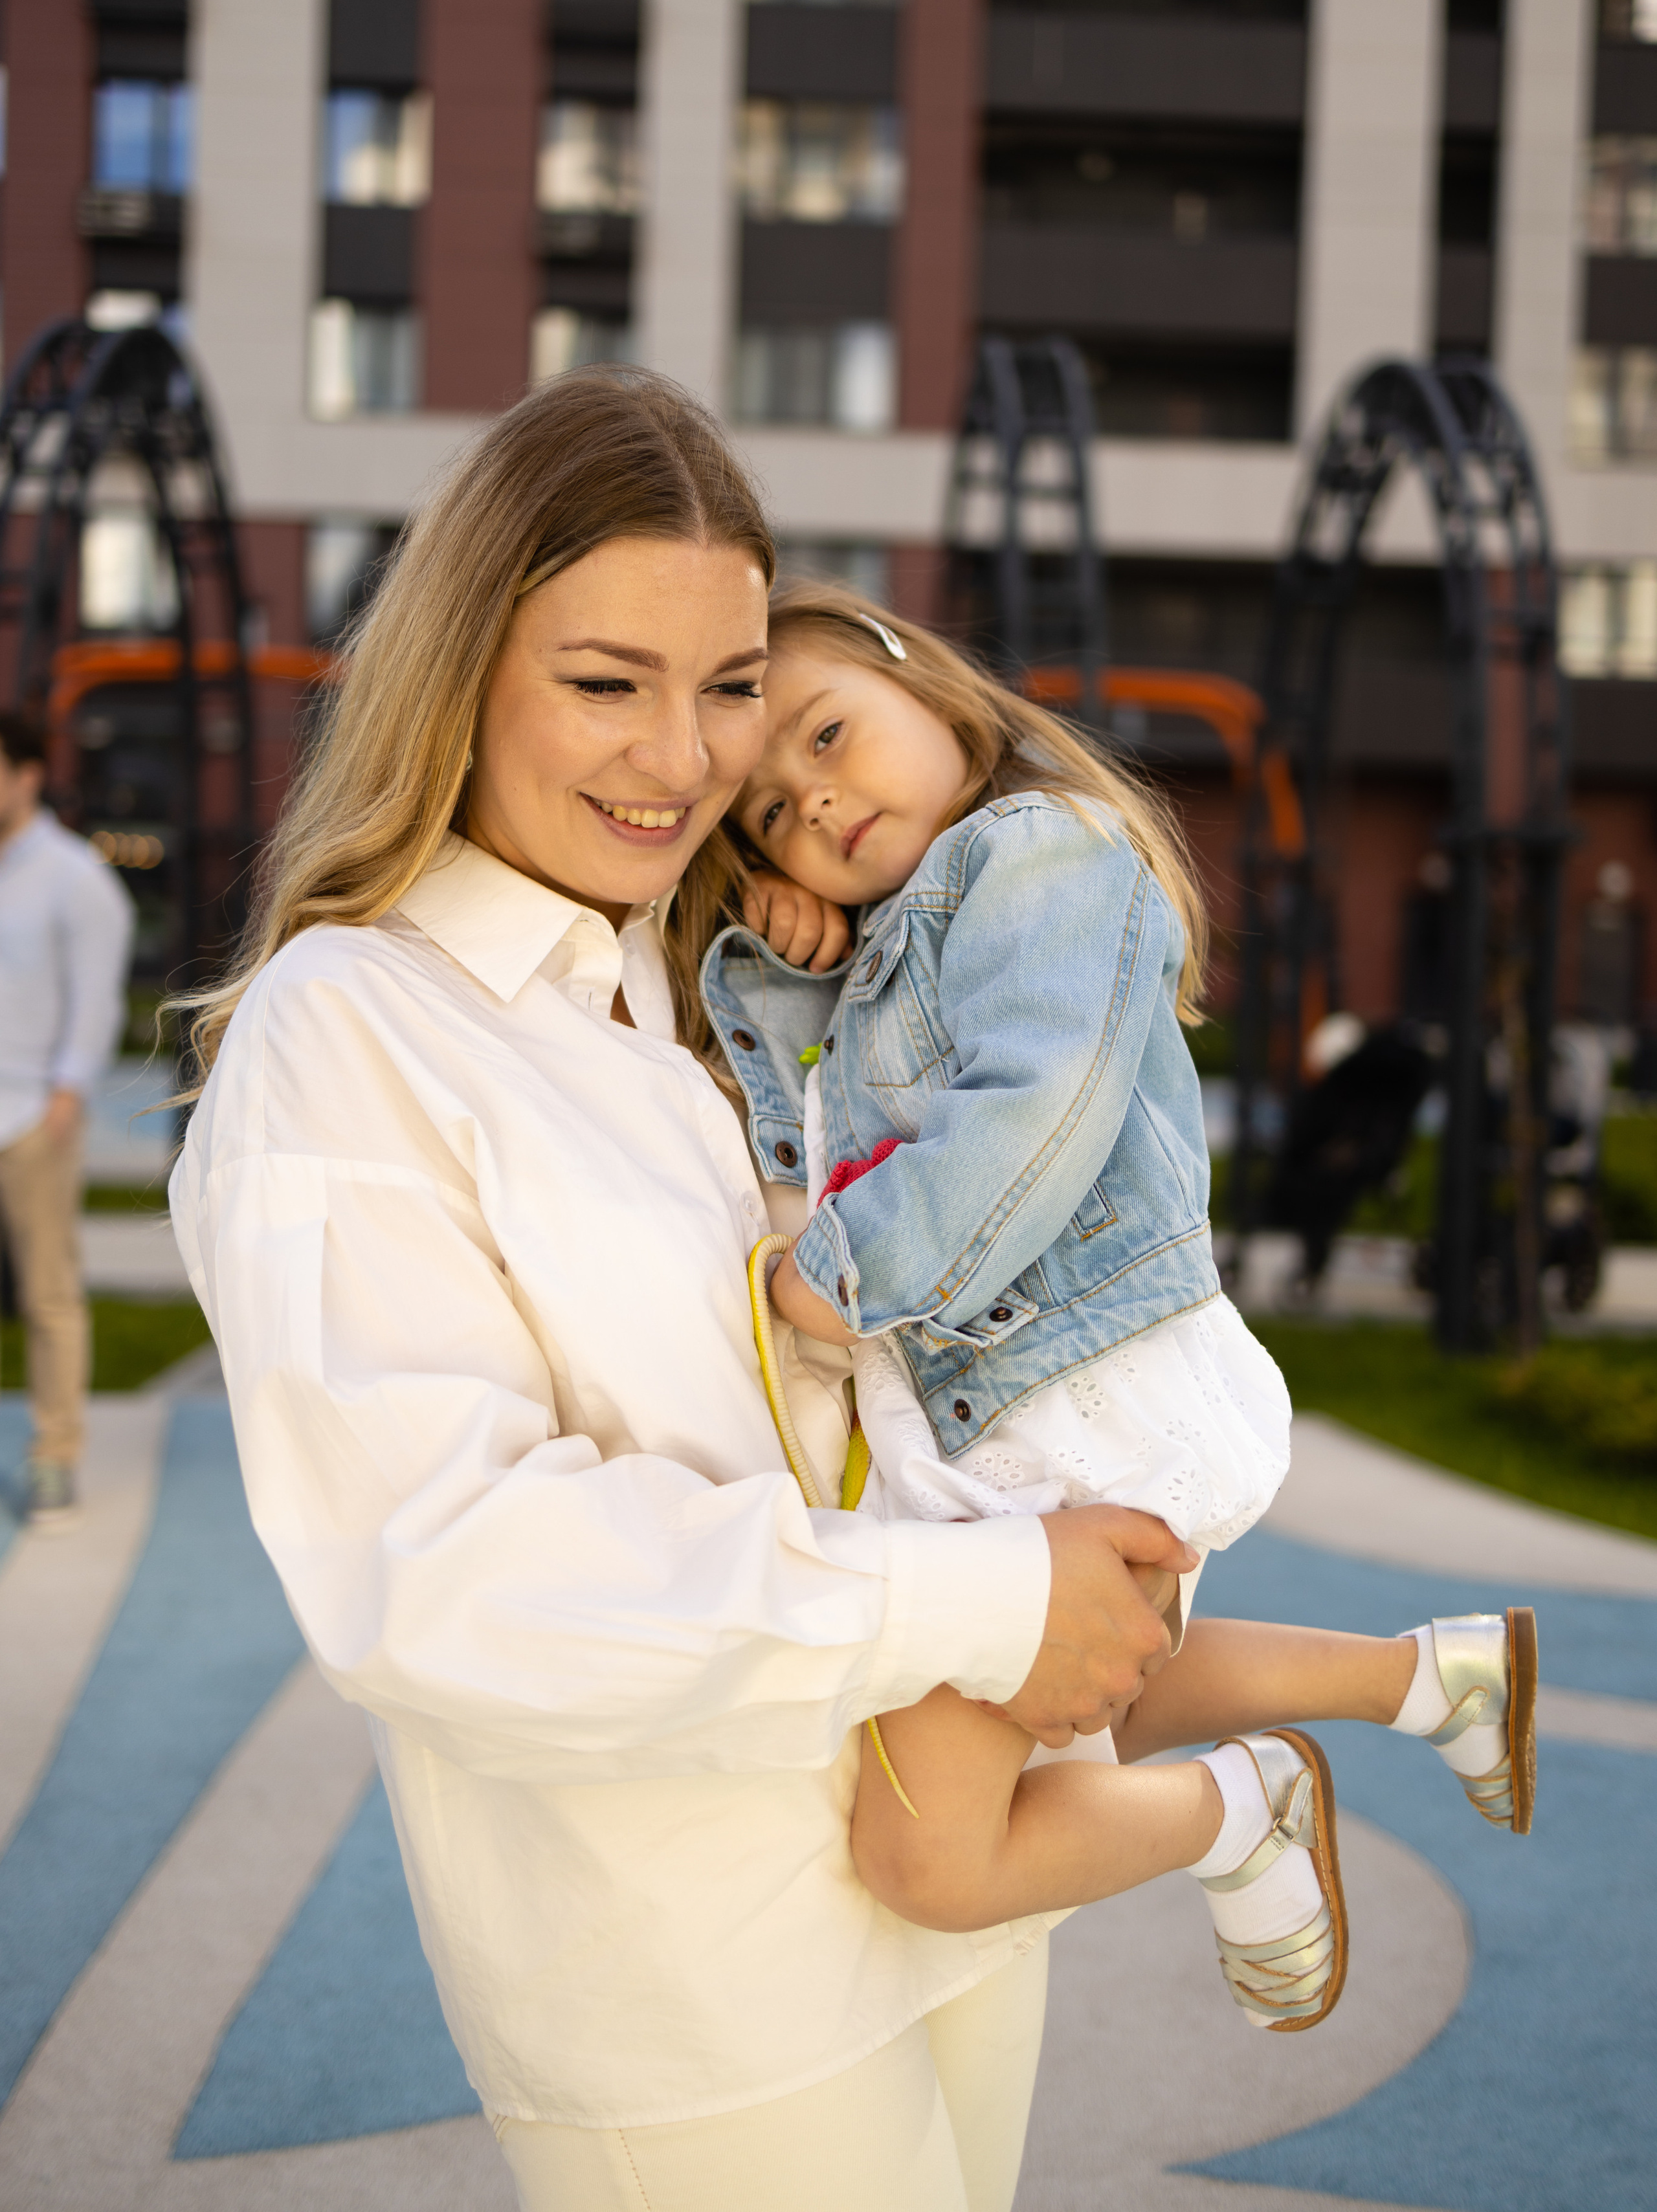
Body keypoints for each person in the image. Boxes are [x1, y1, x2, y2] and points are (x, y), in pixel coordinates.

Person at [169, 371, 1195, 2212]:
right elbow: (447, 1575)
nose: (681, 758)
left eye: (730, 689)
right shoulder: (348, 1032)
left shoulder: (725, 980)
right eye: (603, 682)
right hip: (695, 1977)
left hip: (941, 1868)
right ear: (461, 667)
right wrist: (978, 1594)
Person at [704, 584, 1539, 2034]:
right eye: (770, 815)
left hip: (1059, 1403)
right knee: (1103, 1691)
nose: (815, 800)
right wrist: (790, 972)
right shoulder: (901, 931)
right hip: (1012, 1406)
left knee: (926, 1854)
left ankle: (1236, 1812)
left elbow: (1031, 1116)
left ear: (929, 686)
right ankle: (1431, 1679)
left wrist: (821, 1283)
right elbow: (829, 1122)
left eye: (826, 735)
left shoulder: (1039, 857)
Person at [0, 710, 135, 1529]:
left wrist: (65, 1095)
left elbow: (96, 997)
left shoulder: (75, 877)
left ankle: (55, 1454)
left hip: (29, 1118)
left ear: (27, 777)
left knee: (48, 1294)